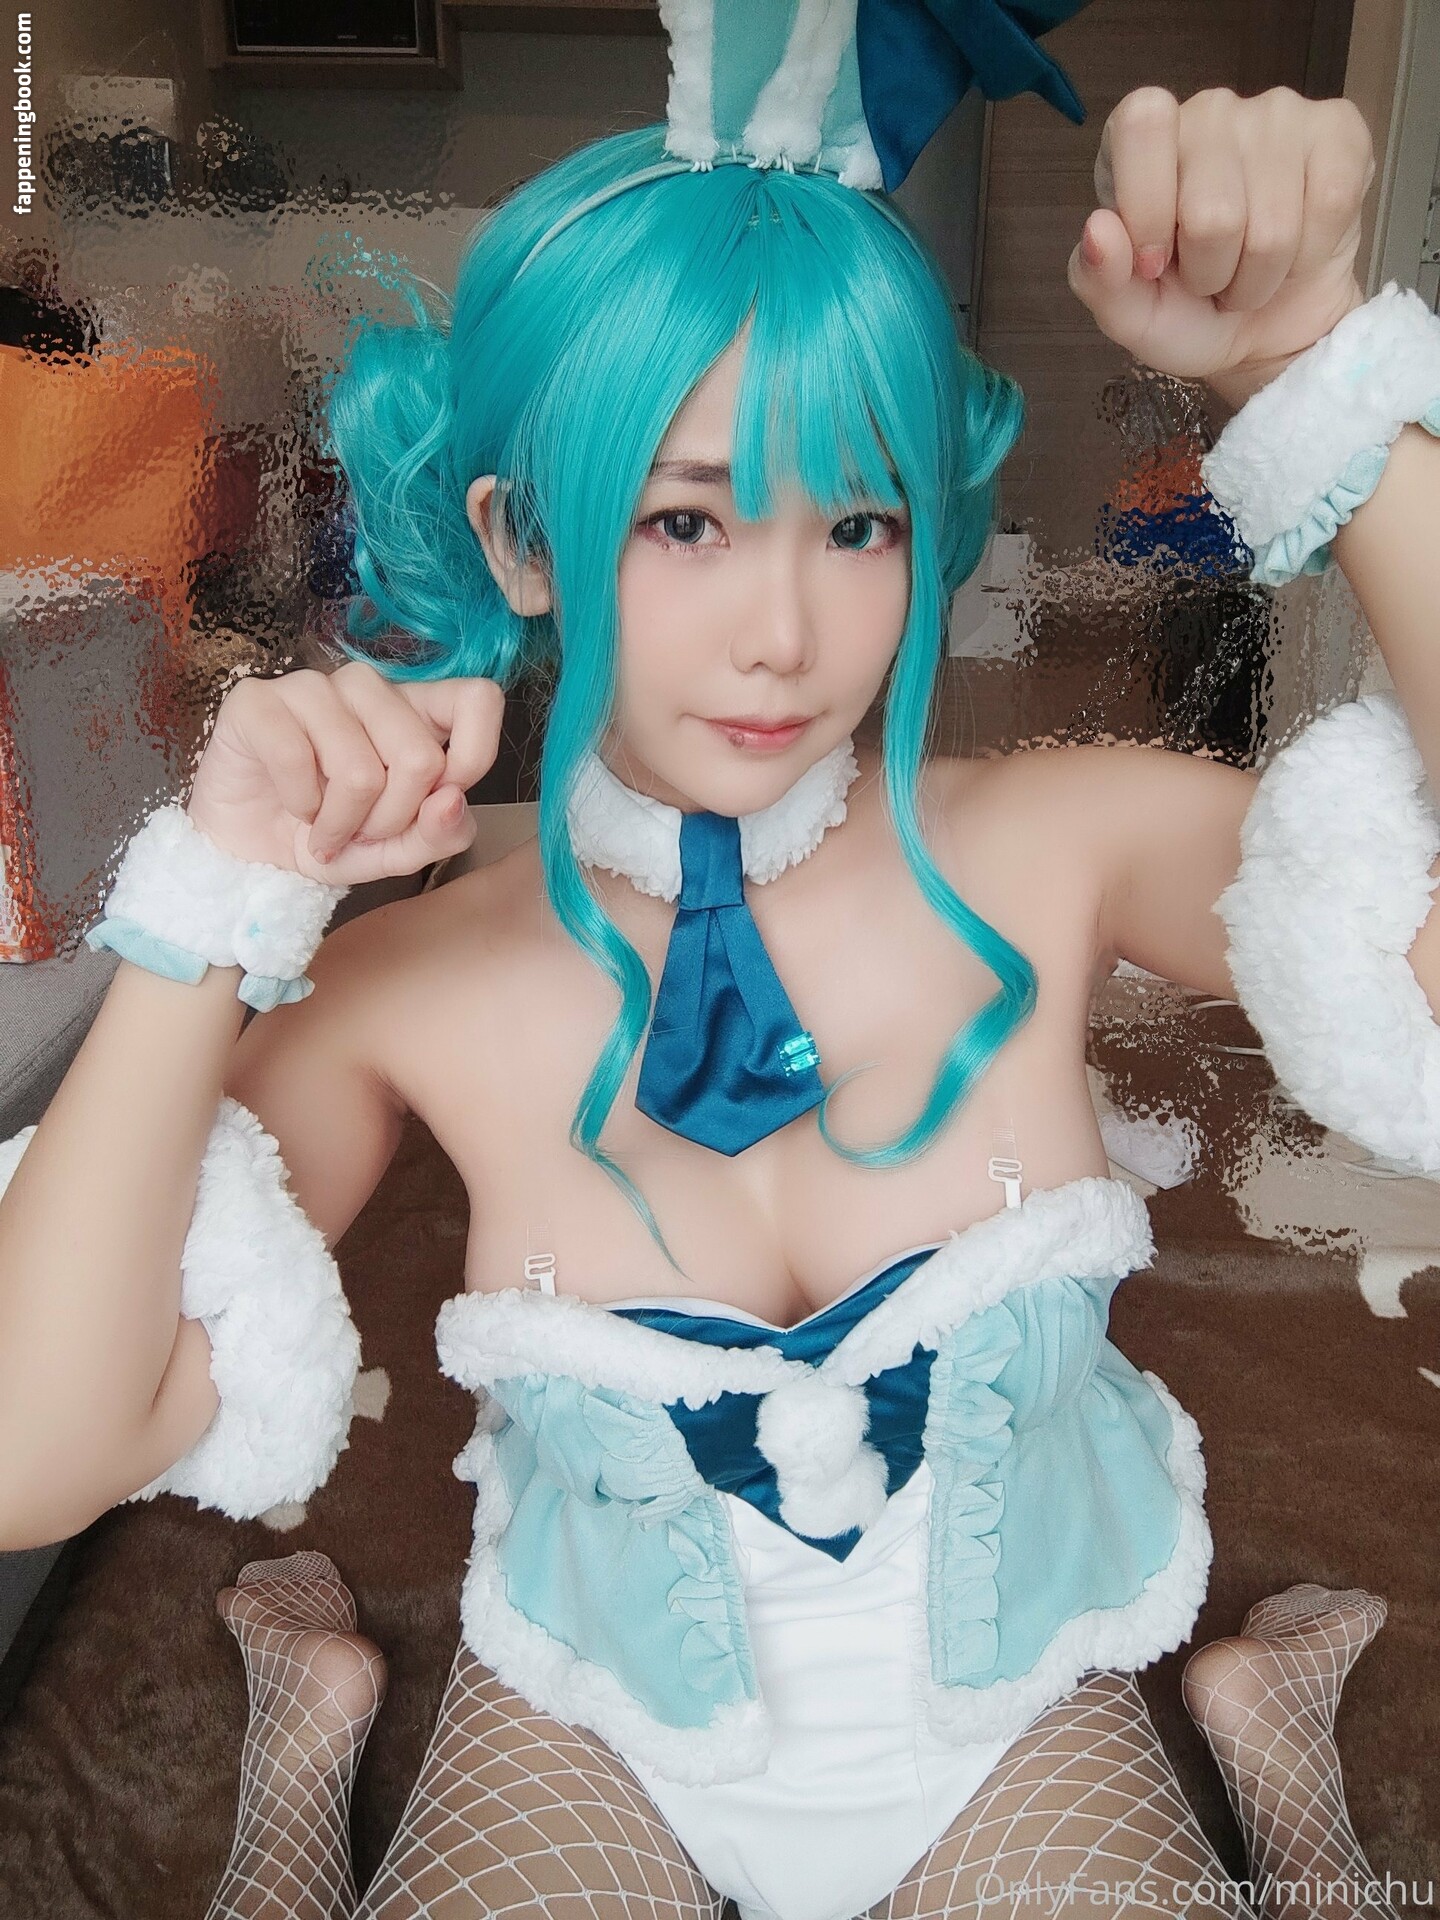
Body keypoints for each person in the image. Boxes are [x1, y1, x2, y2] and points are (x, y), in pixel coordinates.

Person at [1, 13, 1435, 1918]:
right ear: (522, 541)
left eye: (857, 521)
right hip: (596, 1720)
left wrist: (1325, 383)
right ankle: (303, 1757)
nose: (784, 633)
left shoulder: (1062, 840)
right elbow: (32, 1454)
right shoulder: (407, 989)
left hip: (1017, 1703)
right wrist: (211, 905)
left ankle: (1279, 1768)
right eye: (687, 517)